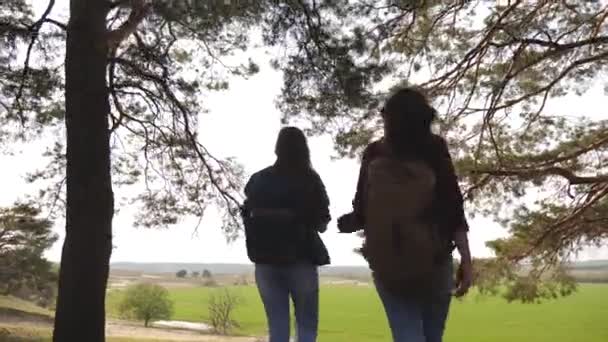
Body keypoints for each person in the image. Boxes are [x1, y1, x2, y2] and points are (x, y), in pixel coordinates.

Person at [337, 87, 473, 342]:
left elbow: (361, 209)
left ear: (387, 119)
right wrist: (466, 260)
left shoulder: (375, 152)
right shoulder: (435, 149)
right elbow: (454, 207)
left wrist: (349, 222)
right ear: (425, 118)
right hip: (434, 261)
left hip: (389, 265)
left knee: (406, 336)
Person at [241, 126, 331, 342]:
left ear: (277, 149)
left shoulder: (258, 179)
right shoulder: (310, 179)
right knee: (307, 324)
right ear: (304, 149)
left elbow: (247, 212)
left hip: (265, 261)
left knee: (277, 326)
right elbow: (322, 221)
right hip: (301, 259)